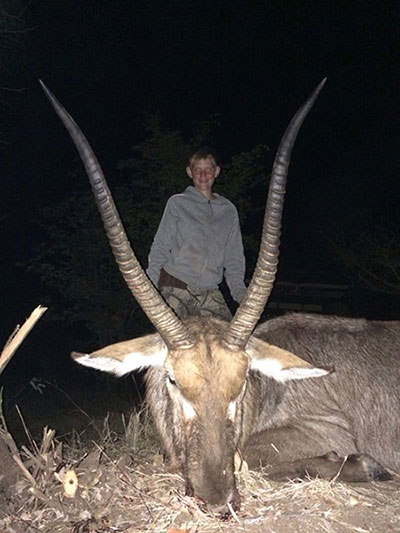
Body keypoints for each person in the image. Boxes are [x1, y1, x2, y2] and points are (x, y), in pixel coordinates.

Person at [146, 147, 246, 320]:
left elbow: (234, 257)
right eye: (197, 170)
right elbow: (161, 245)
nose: (203, 175)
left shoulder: (228, 210)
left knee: (230, 335)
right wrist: (150, 286)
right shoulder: (177, 203)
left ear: (216, 172)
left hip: (210, 289)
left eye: (208, 170)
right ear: (189, 172)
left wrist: (241, 294)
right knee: (178, 336)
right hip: (175, 284)